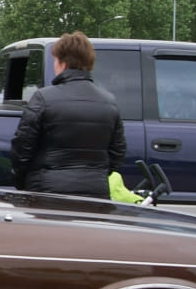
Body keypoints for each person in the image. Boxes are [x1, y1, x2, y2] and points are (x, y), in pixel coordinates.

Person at [9, 31, 126, 199]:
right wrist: (98, 174)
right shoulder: (109, 102)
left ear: (62, 63)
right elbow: (118, 151)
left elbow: (22, 147)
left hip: (47, 190)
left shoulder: (43, 98)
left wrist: (24, 180)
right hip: (95, 190)